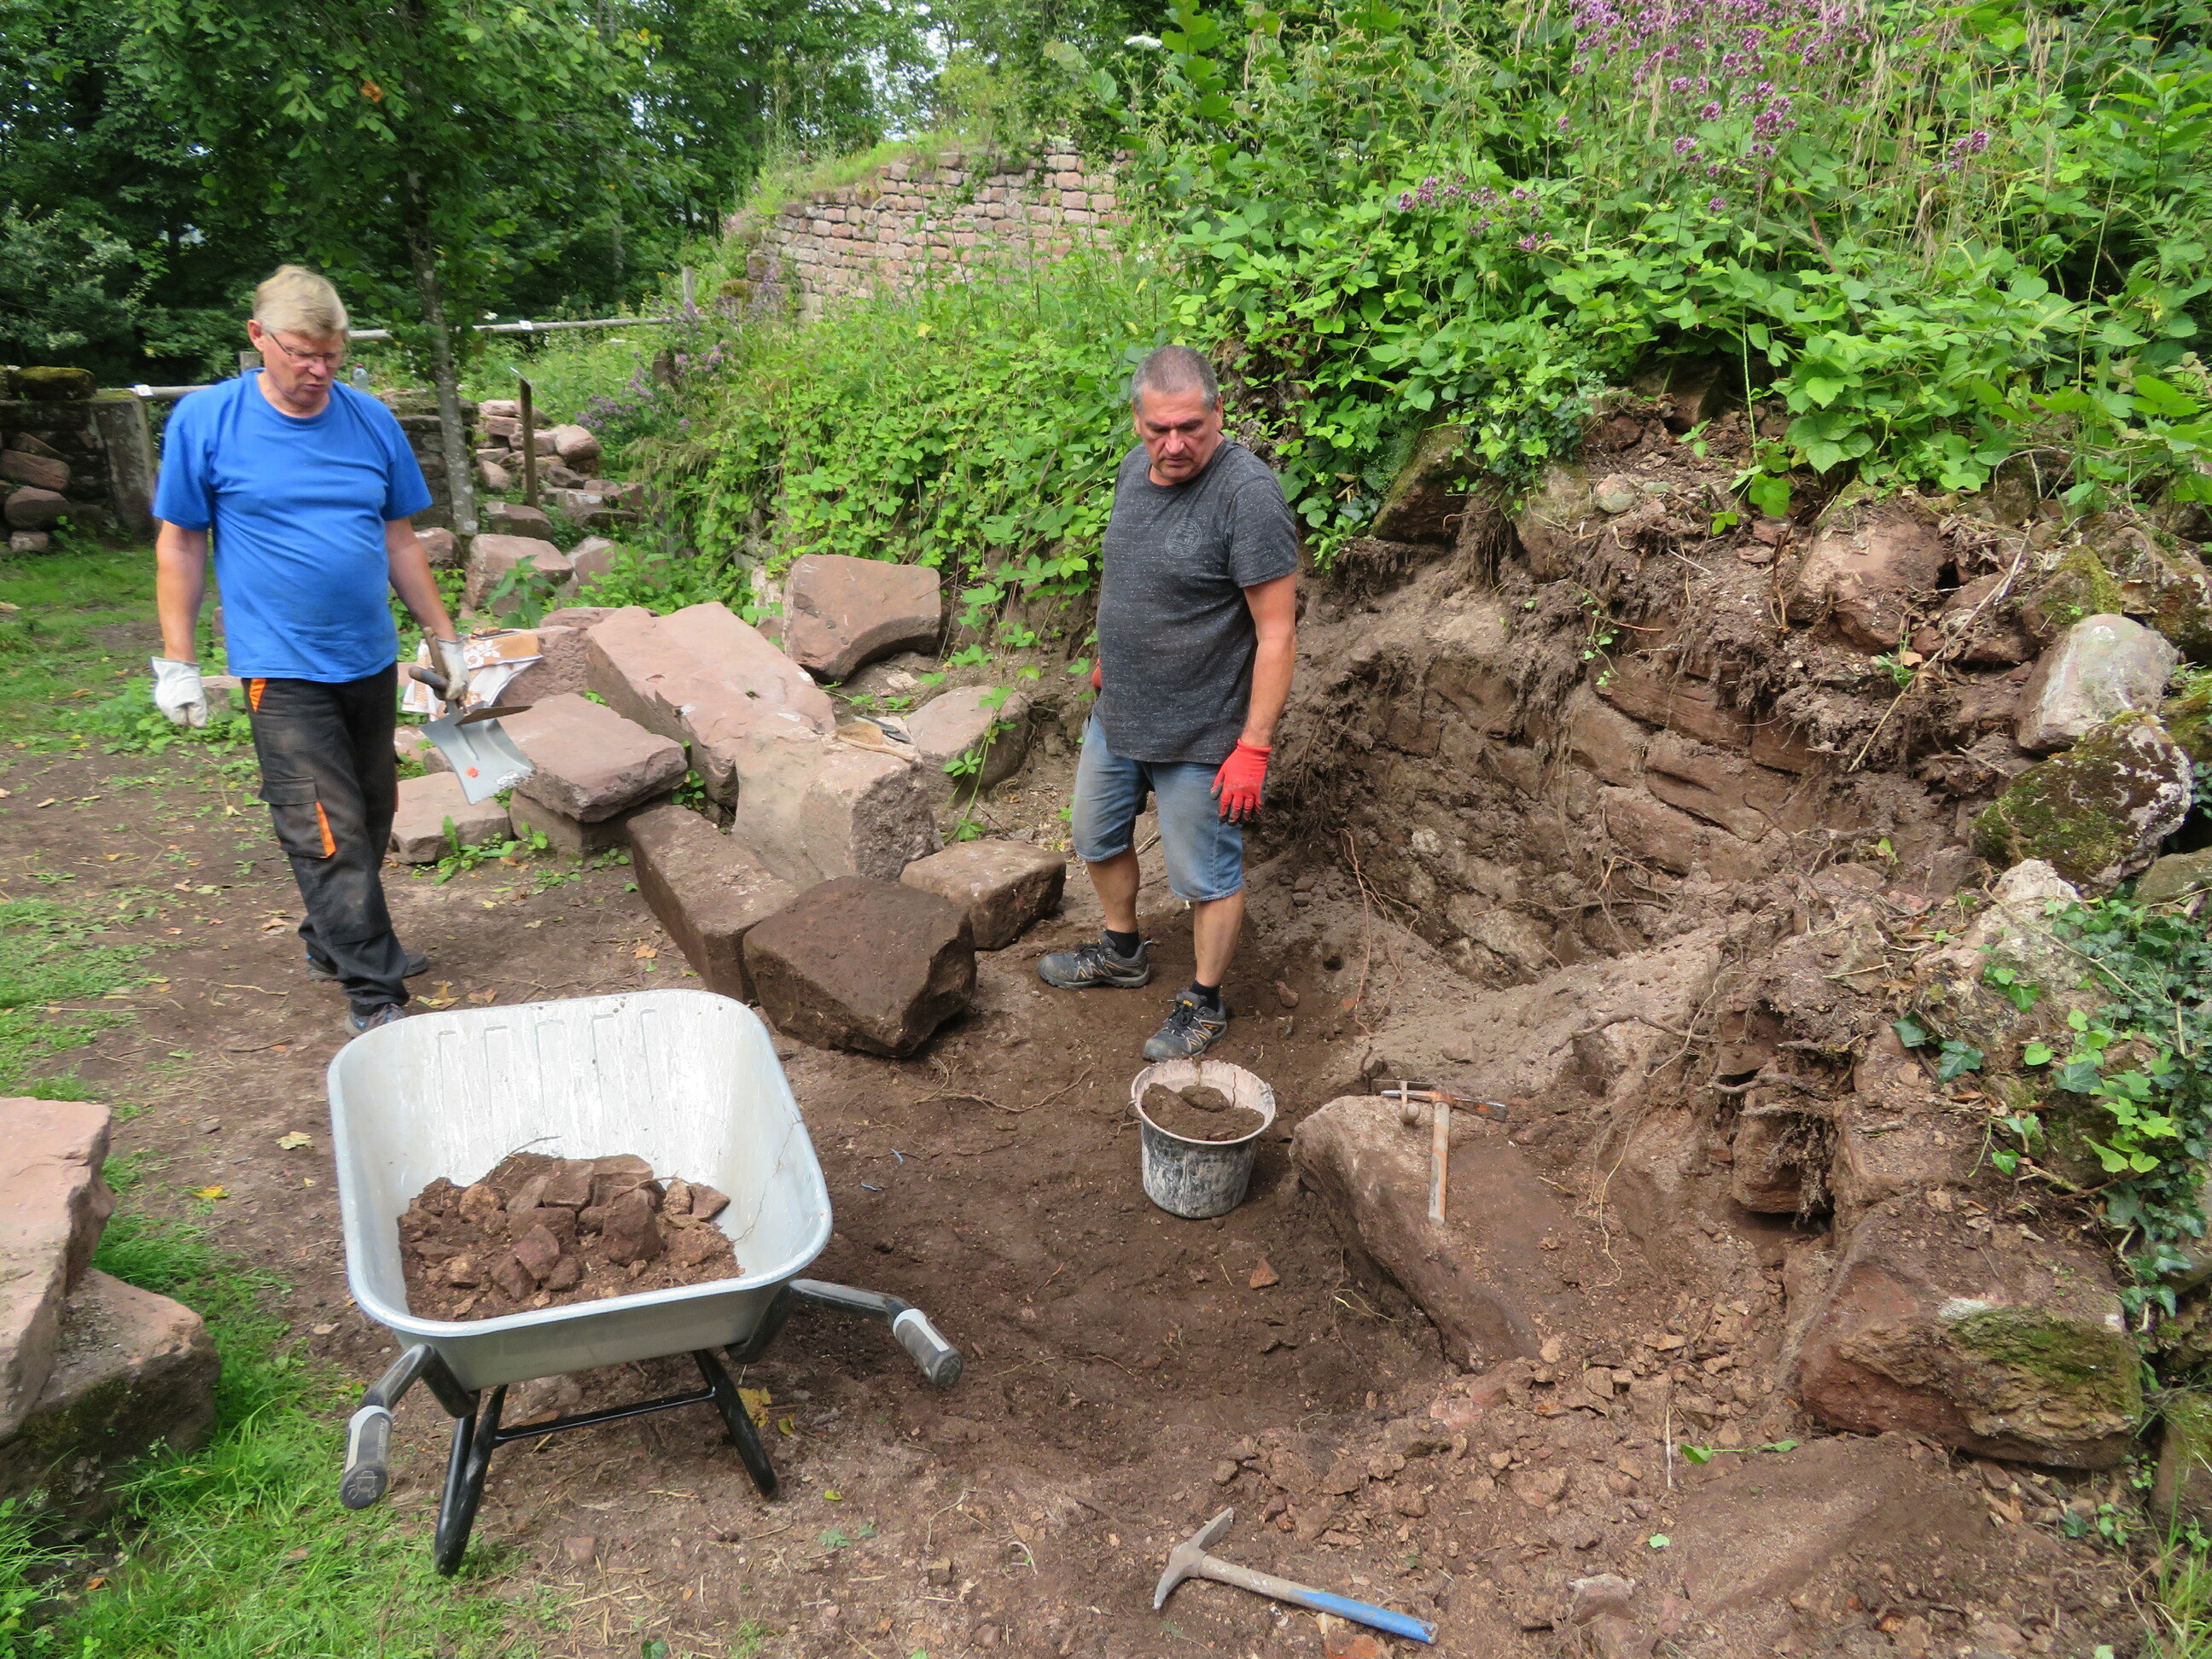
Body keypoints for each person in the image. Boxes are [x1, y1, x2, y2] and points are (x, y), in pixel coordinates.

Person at [149, 265, 472, 1033]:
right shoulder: (207, 421)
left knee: (372, 811)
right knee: (325, 828)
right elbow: (181, 543)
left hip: (368, 656)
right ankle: (374, 994)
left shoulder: (370, 421)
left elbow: (399, 540)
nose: (319, 370)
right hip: (280, 666)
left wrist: (447, 638)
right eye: (302, 353)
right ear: (258, 337)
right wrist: (178, 660)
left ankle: (333, 941)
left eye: (332, 354)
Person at [1039, 345, 1299, 1060]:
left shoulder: (1248, 496)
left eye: (1191, 427)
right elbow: (1132, 574)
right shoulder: (1134, 469)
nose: (1175, 444)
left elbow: (1277, 632)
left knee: (1204, 878)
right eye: (1159, 429)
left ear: (1219, 413)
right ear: (1137, 421)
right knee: (1095, 837)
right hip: (1120, 710)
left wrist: (1254, 747)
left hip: (1202, 729)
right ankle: (1122, 951)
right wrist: (1110, 655)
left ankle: (1204, 1001)